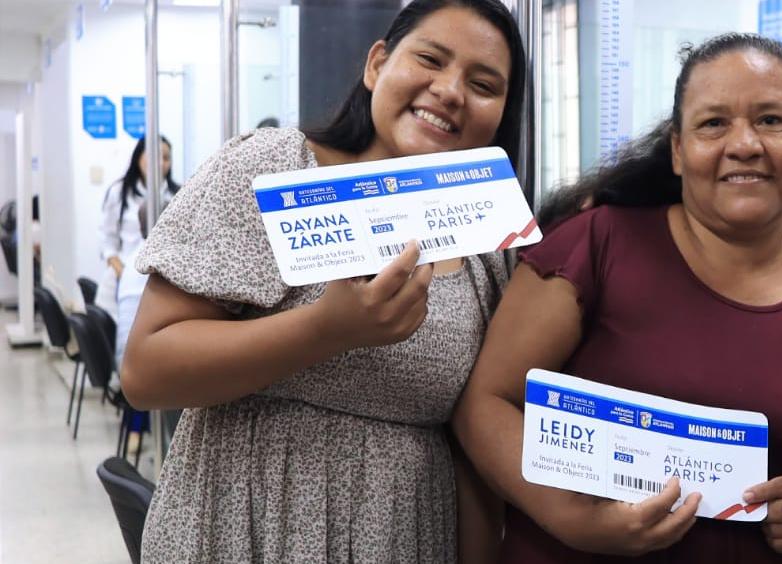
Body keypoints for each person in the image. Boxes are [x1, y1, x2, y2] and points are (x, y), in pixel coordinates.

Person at [120, 1, 525, 561]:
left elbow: (472, 448)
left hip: (402, 539)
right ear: (377, 64)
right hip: (242, 528)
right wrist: (325, 329)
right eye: (430, 59)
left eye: (483, 84)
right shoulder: (275, 170)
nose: (451, 91)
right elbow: (145, 370)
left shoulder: (486, 248)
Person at [453, 33, 782, 564]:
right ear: (678, 151)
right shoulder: (598, 244)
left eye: (770, 120)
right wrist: (577, 520)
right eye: (713, 123)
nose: (745, 144)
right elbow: (486, 404)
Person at [98, 136, 179, 315]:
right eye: (153, 156)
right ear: (138, 157)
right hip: (122, 277)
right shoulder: (119, 191)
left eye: (165, 158)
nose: (160, 163)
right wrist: (123, 274)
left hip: (161, 284)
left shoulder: (178, 194)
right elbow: (107, 241)